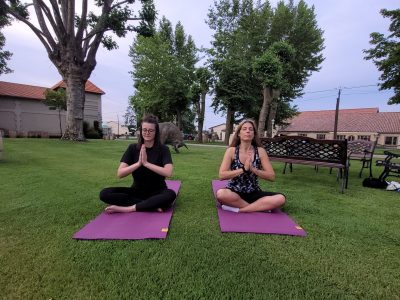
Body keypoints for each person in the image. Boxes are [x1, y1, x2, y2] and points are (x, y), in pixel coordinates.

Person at [100, 114, 176, 213]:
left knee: (171, 194)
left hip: (158, 191)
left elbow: (168, 172)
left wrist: (146, 163)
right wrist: (138, 164)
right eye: (144, 130)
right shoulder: (132, 148)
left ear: (156, 132)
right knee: (105, 193)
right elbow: (120, 173)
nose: (147, 133)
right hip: (137, 191)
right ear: (141, 131)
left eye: (151, 130)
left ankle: (129, 208)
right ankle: (151, 205)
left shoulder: (163, 149)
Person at [216, 119, 285, 213]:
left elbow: (271, 176)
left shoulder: (260, 151)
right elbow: (222, 175)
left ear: (254, 134)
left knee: (280, 199)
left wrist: (254, 169)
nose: (248, 131)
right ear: (239, 134)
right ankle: (259, 208)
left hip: (254, 192)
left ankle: (240, 210)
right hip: (234, 192)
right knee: (221, 194)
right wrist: (243, 169)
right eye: (244, 129)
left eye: (250, 129)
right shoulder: (231, 151)